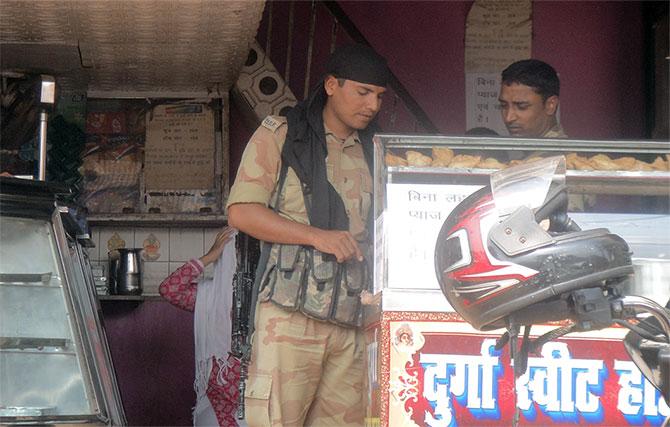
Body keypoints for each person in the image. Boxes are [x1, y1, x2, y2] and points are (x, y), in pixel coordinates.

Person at [226, 43, 390, 426]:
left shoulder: (376, 150)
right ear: (332, 85)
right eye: (363, 92)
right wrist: (316, 235)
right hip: (288, 318)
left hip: (353, 320)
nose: (373, 105)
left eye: (380, 96)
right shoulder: (283, 136)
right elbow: (241, 212)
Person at [158, 226, 241, 427]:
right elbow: (169, 289)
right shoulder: (208, 297)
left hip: (263, 404)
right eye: (233, 255)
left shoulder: (269, 298)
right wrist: (210, 256)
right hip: (218, 406)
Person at [498, 59, 567, 138]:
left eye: (521, 107)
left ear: (550, 105)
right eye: (503, 106)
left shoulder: (560, 149)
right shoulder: (523, 148)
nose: (508, 118)